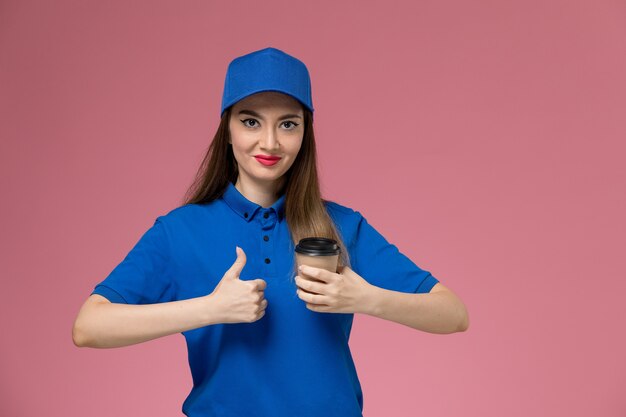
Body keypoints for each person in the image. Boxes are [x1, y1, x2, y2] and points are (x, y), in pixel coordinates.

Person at [72, 46, 469, 417]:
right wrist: (210, 309)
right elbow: (90, 326)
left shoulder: (343, 226)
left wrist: (367, 298)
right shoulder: (180, 232)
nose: (270, 142)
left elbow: (452, 313)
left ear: (304, 134)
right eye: (250, 121)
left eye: (288, 124)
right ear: (226, 129)